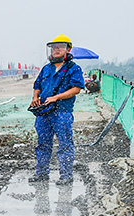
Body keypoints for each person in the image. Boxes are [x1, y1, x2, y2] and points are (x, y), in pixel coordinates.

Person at [29, 34, 85, 186]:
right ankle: (41, 173)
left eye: (60, 47)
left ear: (68, 49)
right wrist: (35, 97)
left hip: (62, 112)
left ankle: (66, 176)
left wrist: (56, 97)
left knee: (65, 144)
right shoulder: (46, 68)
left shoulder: (73, 68)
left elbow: (76, 89)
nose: (56, 50)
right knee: (42, 144)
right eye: (54, 47)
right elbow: (37, 85)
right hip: (43, 113)